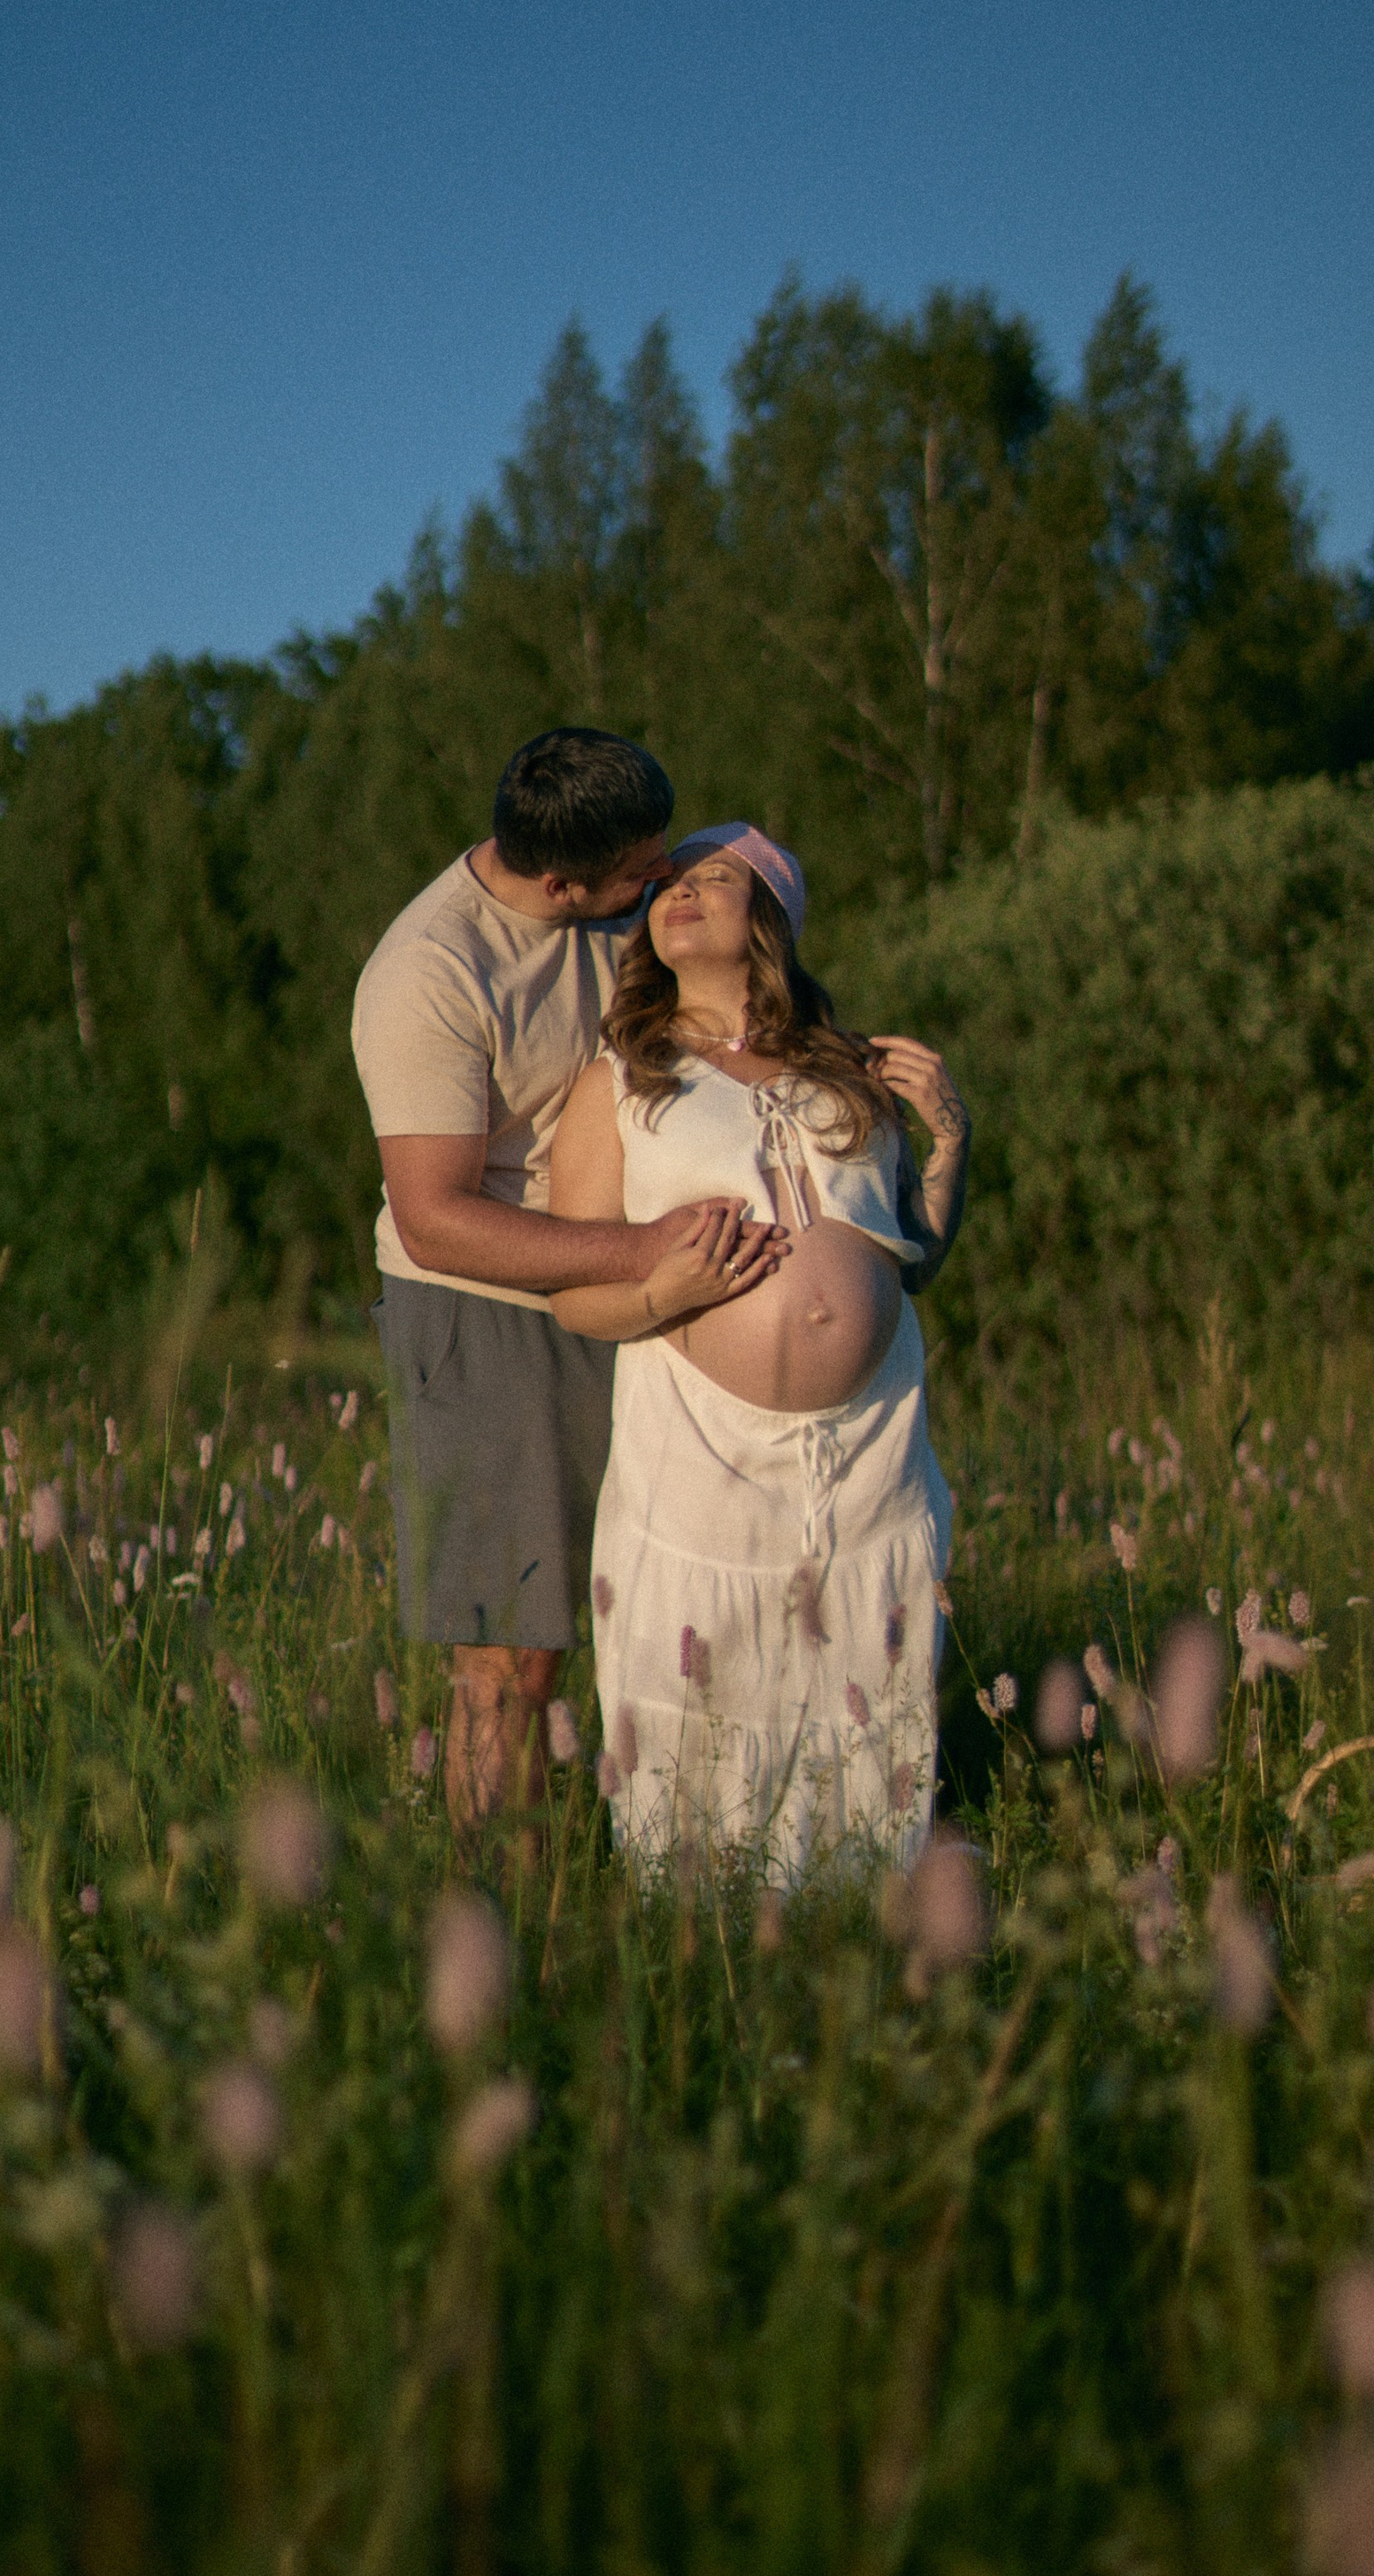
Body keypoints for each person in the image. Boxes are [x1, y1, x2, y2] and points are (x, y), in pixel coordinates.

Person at [352, 731, 786, 1830]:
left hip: (647, 1292)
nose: (662, 882)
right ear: (561, 885)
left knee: (679, 1612)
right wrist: (645, 1253)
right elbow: (436, 1220)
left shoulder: (618, 904)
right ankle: (495, 1904)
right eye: (641, 873)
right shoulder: (430, 973)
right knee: (514, 1657)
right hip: (492, 1311)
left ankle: (707, 1857)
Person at [546, 824, 969, 1876]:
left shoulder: (848, 1072)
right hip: (704, 1443)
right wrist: (663, 1294)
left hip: (865, 1443)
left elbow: (915, 1257)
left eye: (714, 878)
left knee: (863, 1698)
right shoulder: (619, 1082)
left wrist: (950, 1138)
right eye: (667, 885)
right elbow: (572, 1295)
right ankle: (700, 1930)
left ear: (770, 914)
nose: (681, 895)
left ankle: (855, 1925)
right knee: (703, 1690)